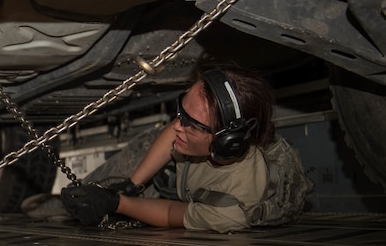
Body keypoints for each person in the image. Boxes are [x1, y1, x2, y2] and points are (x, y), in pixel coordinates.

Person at [60, 63, 302, 233]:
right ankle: (47, 204)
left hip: (184, 200)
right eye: (181, 112)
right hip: (177, 168)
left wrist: (116, 203)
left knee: (85, 204)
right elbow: (170, 133)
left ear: (227, 144)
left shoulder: (231, 209)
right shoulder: (194, 131)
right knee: (76, 199)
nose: (176, 125)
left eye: (192, 125)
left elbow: (169, 212)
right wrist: (131, 185)